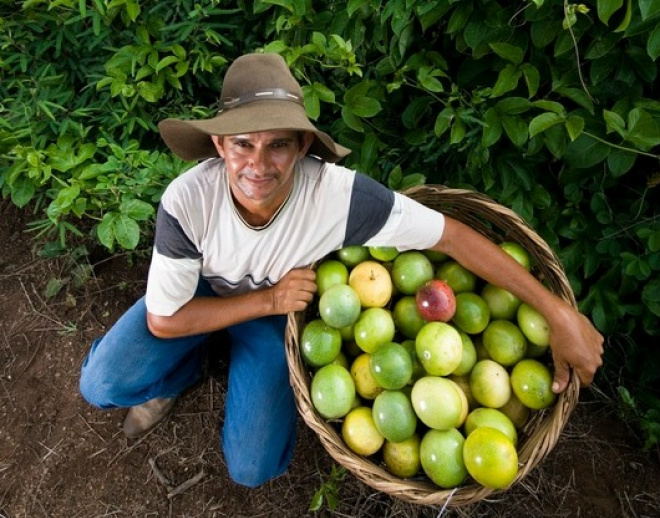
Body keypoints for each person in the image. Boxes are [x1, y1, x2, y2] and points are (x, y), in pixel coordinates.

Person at [79, 53, 604, 488]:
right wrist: (268, 299)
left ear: (304, 145)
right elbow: (165, 319)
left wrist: (556, 312)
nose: (257, 166)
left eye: (278, 144)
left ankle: (220, 353)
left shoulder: (339, 197)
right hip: (210, 296)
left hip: (274, 323)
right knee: (101, 383)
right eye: (242, 144)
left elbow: (453, 236)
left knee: (251, 468)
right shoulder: (187, 201)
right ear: (219, 145)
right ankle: (180, 373)